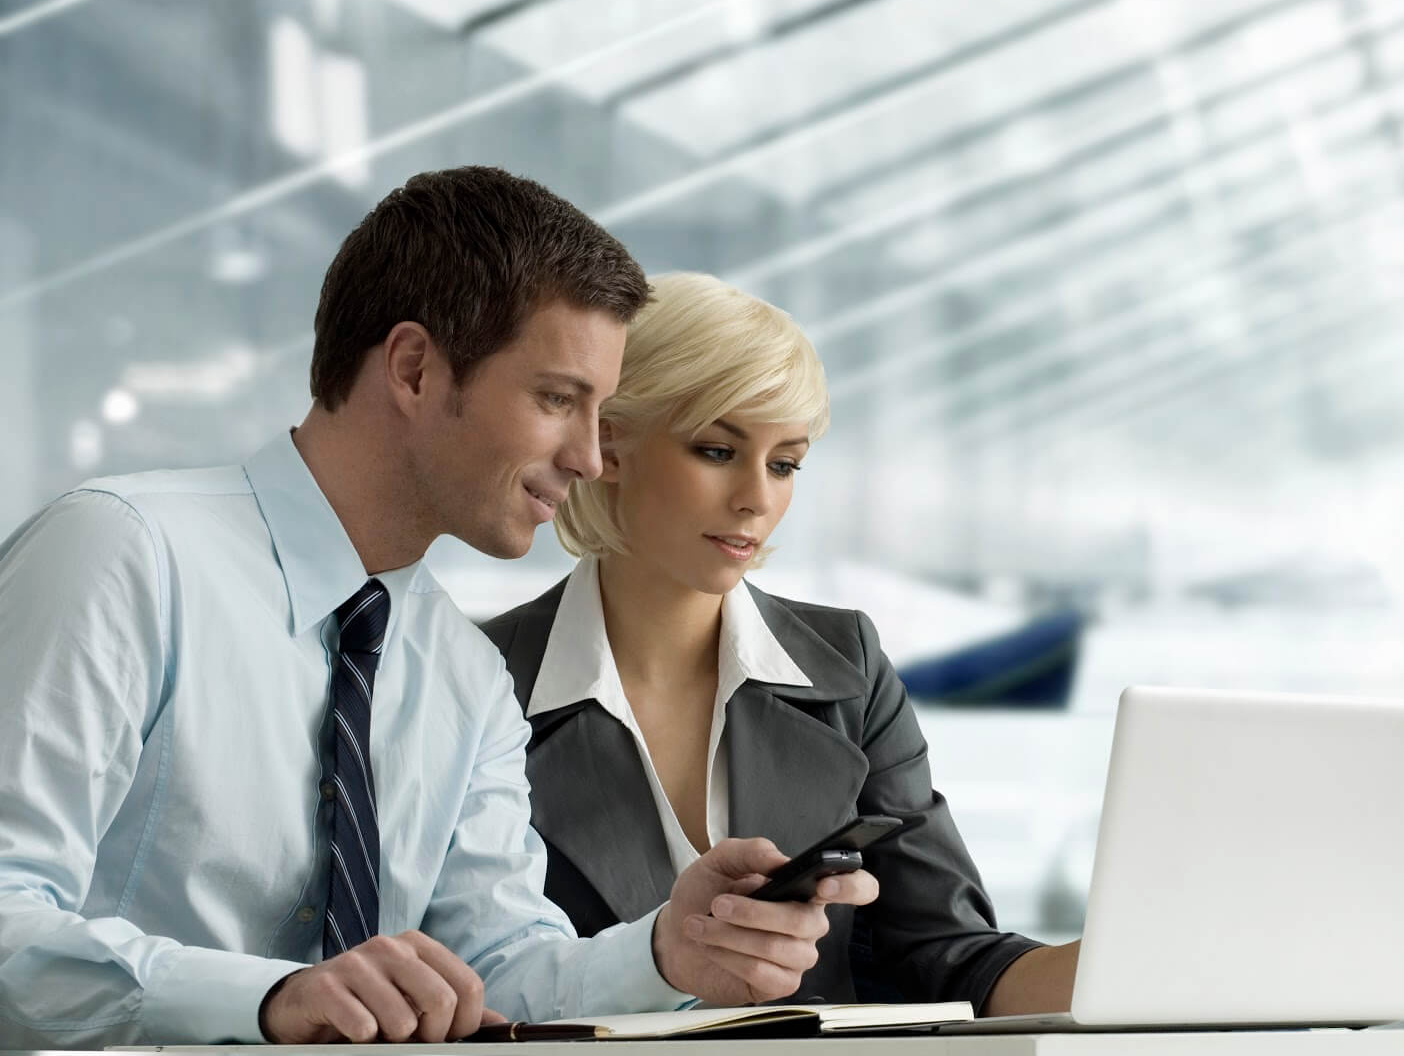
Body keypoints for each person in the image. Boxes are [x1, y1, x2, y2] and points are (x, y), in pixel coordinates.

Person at [0, 170, 874, 1050]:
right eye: (558, 399)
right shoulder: (123, 556)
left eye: (601, 412)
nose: (587, 456)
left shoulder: (462, 672)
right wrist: (269, 1000)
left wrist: (669, 949)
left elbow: (499, 966)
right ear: (415, 368)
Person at [481, 272, 1079, 1016]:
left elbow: (948, 955)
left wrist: (1119, 962)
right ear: (611, 441)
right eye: (717, 449)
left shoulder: (846, 665)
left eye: (785, 462)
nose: (757, 498)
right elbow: (473, 974)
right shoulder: (478, 679)